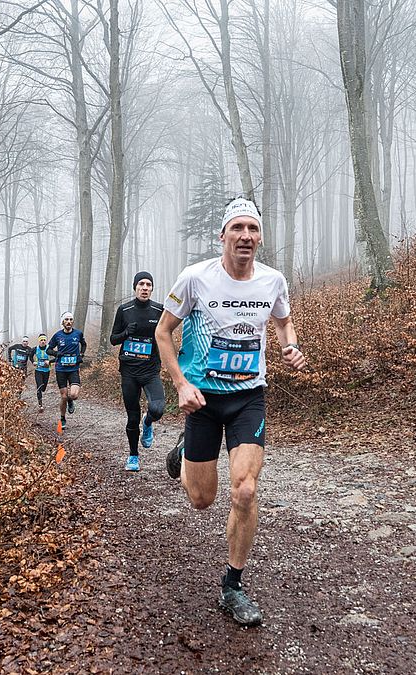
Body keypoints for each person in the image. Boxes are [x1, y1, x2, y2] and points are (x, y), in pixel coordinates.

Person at [155, 196, 306, 627]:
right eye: (237, 228)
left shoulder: (273, 281)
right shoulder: (195, 278)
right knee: (202, 500)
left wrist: (290, 346)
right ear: (222, 235)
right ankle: (186, 449)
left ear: (260, 237)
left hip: (248, 397)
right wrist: (181, 385)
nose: (245, 236)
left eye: (252, 229)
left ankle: (232, 585)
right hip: (202, 400)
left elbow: (283, 321)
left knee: (245, 491)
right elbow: (163, 333)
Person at [108, 271, 165, 472]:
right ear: (135, 287)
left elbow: (166, 334)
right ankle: (133, 456)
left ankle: (148, 422)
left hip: (150, 370)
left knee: (157, 409)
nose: (144, 288)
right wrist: (125, 333)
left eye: (148, 284)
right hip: (129, 372)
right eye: (141, 284)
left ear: (152, 288)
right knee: (132, 417)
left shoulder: (159, 310)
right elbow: (113, 339)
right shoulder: (124, 310)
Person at [46, 312, 87, 428]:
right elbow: (48, 350)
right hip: (61, 369)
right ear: (63, 322)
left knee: (74, 395)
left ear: (72, 321)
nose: (68, 322)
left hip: (73, 368)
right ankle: (62, 418)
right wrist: (56, 353)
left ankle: (70, 400)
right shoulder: (57, 335)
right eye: (66, 320)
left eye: (70, 319)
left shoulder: (78, 334)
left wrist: (81, 354)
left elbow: (84, 344)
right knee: (63, 396)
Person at [32, 334, 52, 412]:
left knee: (43, 388)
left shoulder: (49, 348)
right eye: (41, 340)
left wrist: (50, 361)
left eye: (44, 340)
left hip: (47, 371)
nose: (43, 341)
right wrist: (33, 361)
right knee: (39, 387)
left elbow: (56, 355)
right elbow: (30, 355)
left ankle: (42, 389)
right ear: (39, 341)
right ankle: (40, 405)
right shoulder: (35, 349)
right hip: (38, 370)